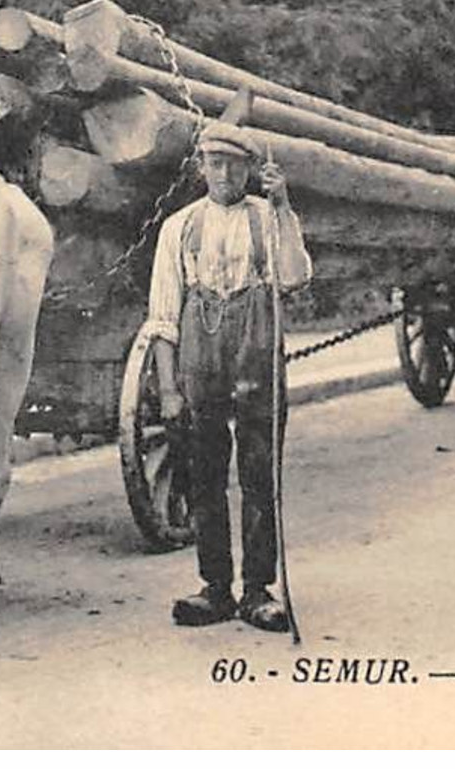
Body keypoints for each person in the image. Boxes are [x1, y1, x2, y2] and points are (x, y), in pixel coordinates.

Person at [143, 123, 312, 630]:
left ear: (250, 171)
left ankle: (258, 590)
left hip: (256, 354)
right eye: (215, 164)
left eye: (235, 165)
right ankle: (215, 587)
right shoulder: (181, 227)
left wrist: (282, 206)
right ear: (201, 169)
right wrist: (169, 389)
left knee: (260, 476)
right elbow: (163, 316)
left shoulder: (268, 219)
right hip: (202, 360)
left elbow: (295, 277)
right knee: (204, 477)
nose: (224, 173)